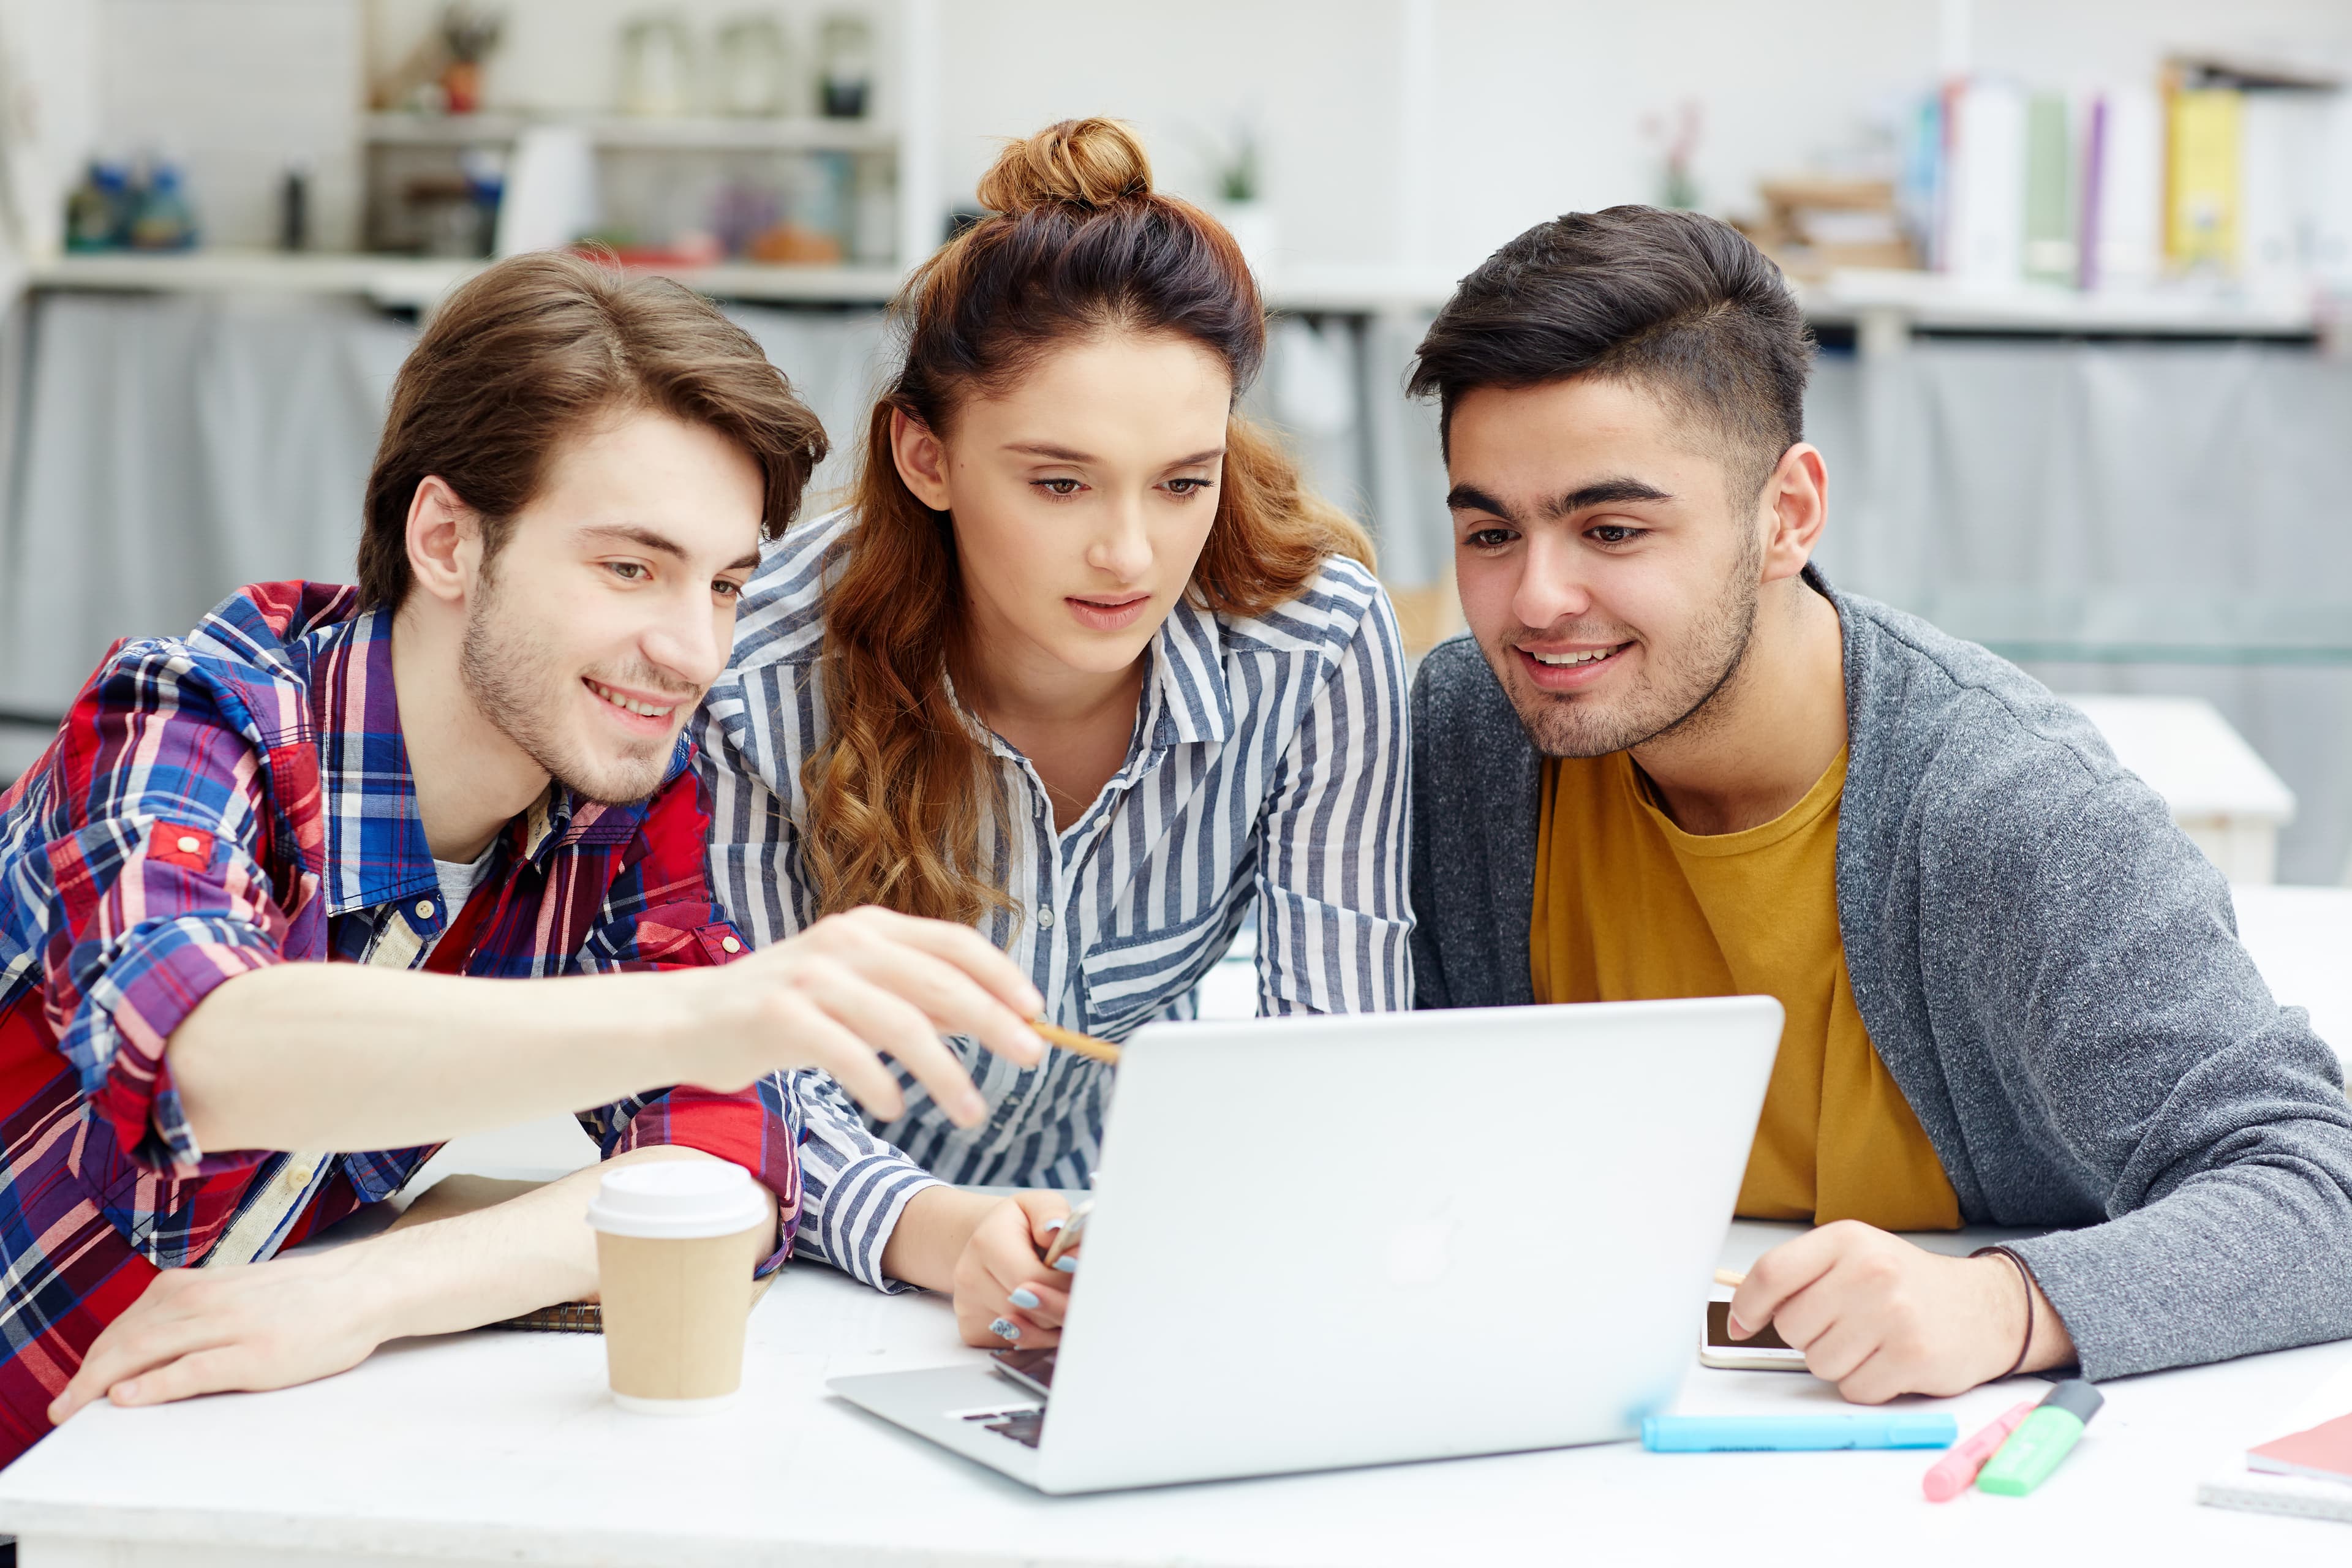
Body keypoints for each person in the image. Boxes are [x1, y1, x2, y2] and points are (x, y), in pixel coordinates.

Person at [0, 252, 1047, 1461]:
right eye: (630, 567)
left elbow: (729, 1163)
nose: (694, 649)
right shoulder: (191, 719)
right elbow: (206, 1048)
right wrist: (709, 1008)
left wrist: (362, 1291)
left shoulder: (611, 794)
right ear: (446, 539)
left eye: (723, 585)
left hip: (139, 1471)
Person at [1404, 205, 2352, 1399]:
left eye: (1613, 527)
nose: (1536, 599)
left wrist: (2007, 1302)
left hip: (1961, 1462)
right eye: (1491, 529)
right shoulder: (1467, 735)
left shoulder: (2012, 813)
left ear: (1788, 514)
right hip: (1580, 1427)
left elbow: (2320, 1189)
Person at [702, 119, 1412, 1347]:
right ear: (926, 456)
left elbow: (1335, 1062)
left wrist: (1166, 1237)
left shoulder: (1316, 639)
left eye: (1183, 481)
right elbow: (736, 1090)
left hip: (1119, 1265)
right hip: (812, 1284)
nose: (1130, 555)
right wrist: (946, 1232)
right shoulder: (757, 665)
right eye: (1059, 482)